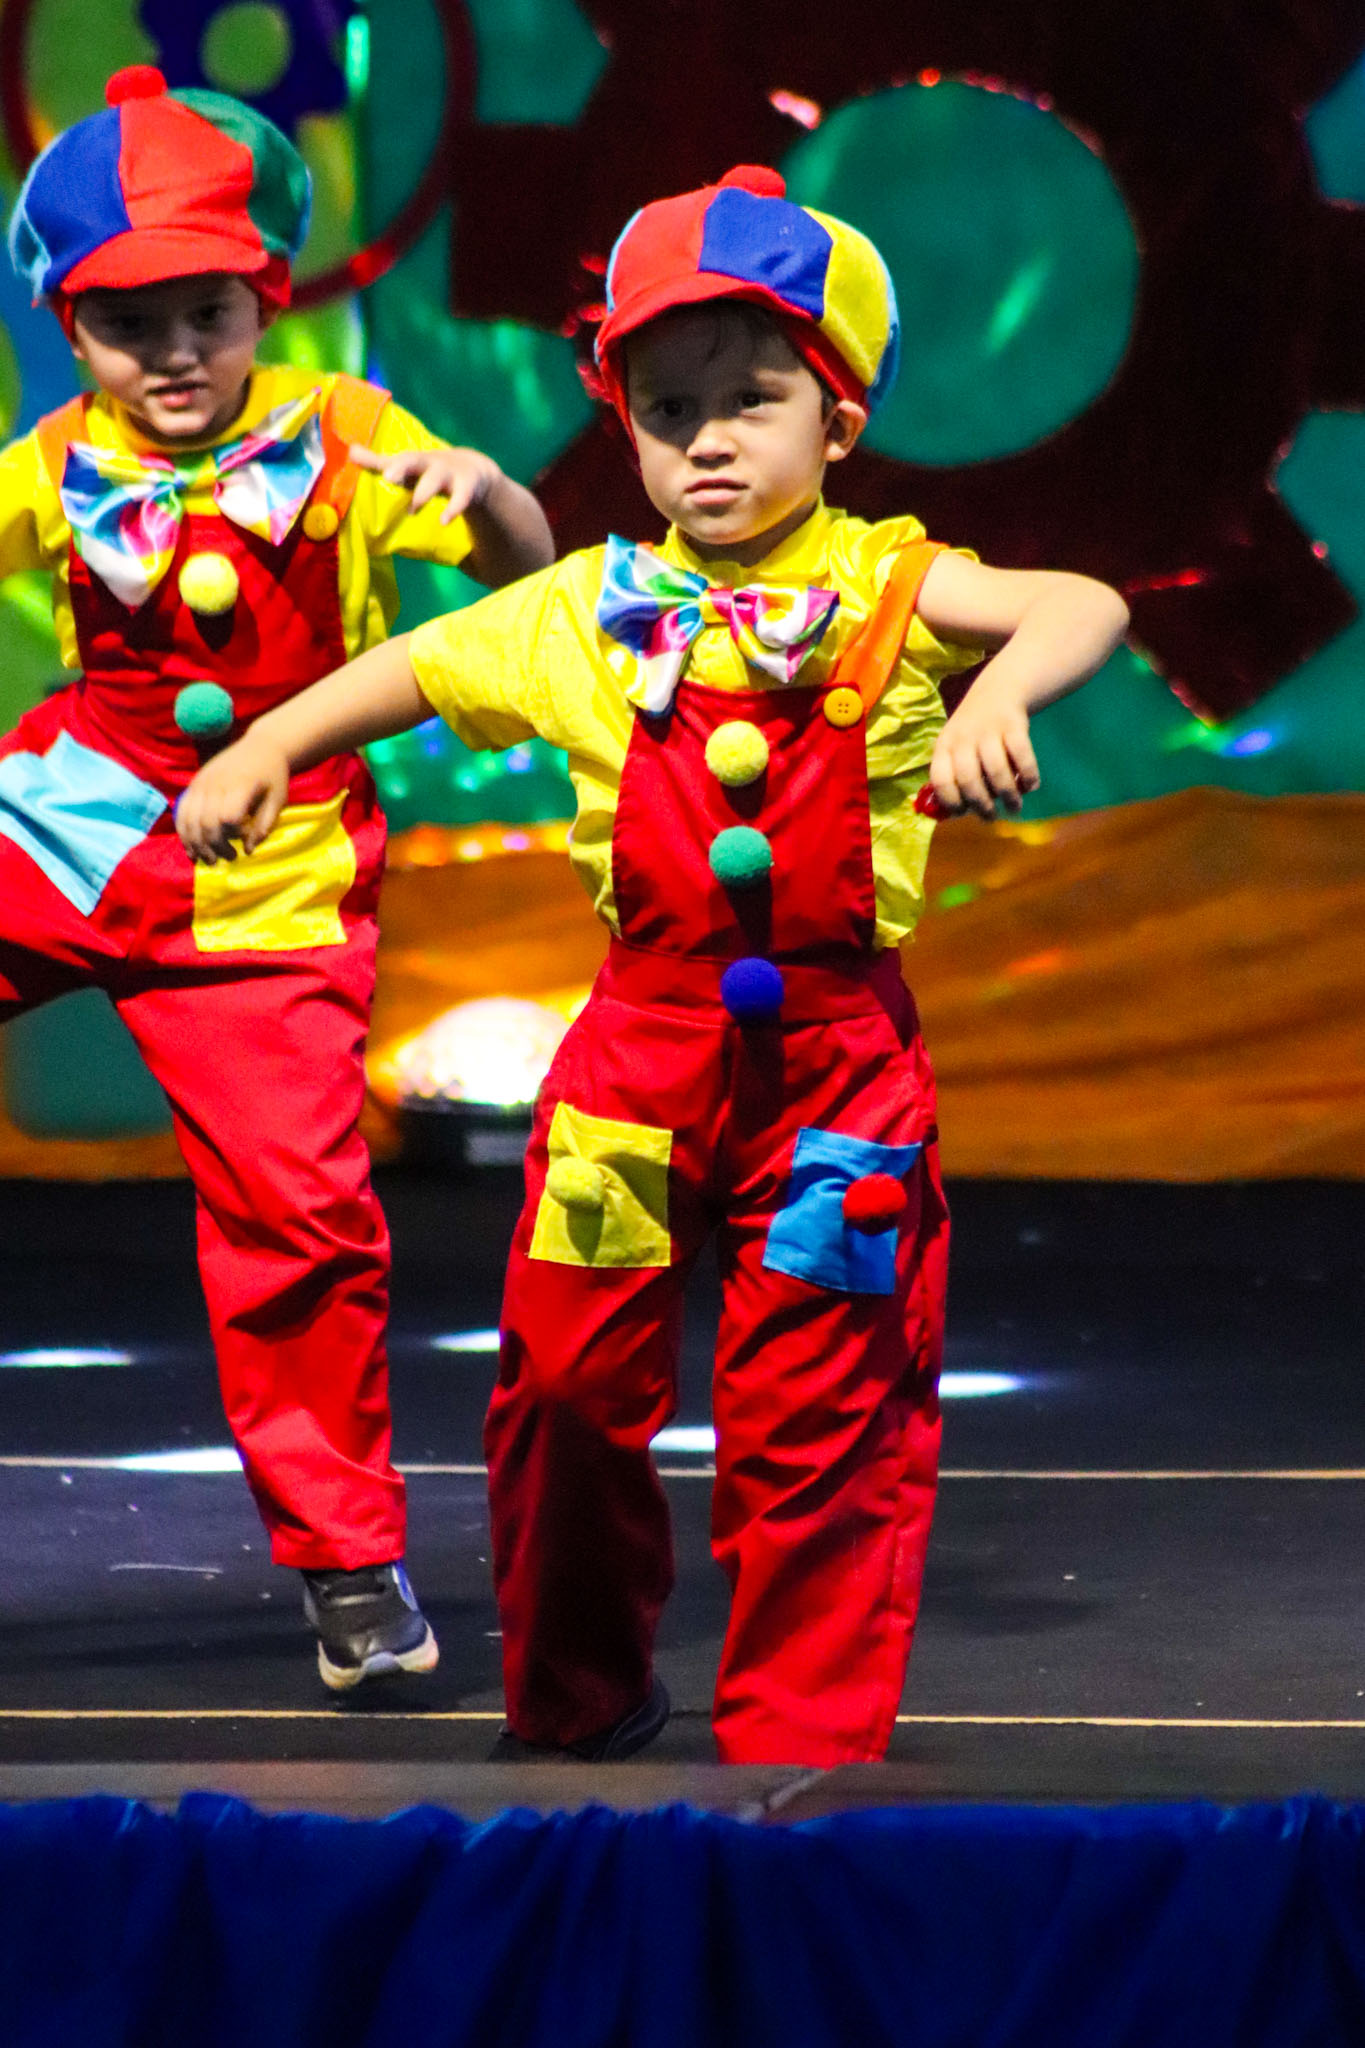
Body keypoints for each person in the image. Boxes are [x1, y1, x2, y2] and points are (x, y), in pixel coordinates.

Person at [175, 164, 1129, 1762]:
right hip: (632, 1066)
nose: (707, 440)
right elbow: (413, 665)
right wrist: (269, 741)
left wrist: (996, 694)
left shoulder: (892, 587)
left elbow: (1076, 604)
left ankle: (797, 1740)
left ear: (836, 421)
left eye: (751, 400)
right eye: (667, 406)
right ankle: (581, 1695)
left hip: (831, 1082)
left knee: (816, 1407)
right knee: (560, 1386)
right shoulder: (588, 608)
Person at [0, 67, 553, 1692]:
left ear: (264, 301)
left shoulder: (347, 436)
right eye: (130, 323)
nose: (175, 352)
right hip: (70, 824)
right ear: (70, 329)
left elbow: (533, 592)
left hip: (270, 875)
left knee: (298, 1225)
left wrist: (491, 497)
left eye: (209, 313)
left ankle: (349, 1565)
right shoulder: (49, 462)